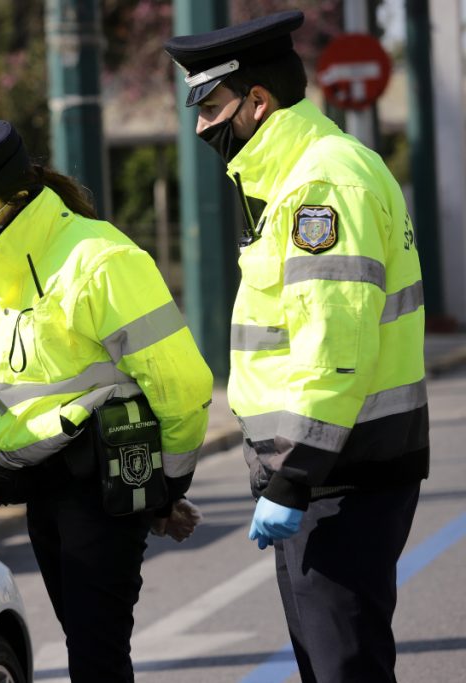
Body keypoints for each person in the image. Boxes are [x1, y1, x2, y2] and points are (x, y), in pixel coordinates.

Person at [164, 11, 429, 682]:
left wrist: (297, 472)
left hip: (337, 473)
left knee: (343, 666)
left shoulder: (318, 187)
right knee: (330, 661)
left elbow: (332, 349)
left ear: (258, 102)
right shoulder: (305, 176)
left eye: (212, 107)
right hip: (332, 469)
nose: (201, 127)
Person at [0, 120, 213, 682]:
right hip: (47, 489)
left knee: (96, 655)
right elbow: (31, 404)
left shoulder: (100, 260)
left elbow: (183, 386)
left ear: (18, 199)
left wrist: (160, 490)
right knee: (89, 648)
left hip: (105, 489)